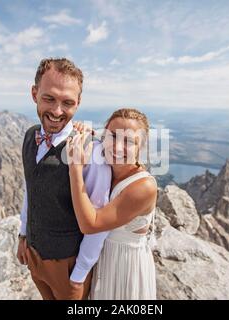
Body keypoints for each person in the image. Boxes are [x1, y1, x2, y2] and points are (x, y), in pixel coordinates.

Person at [16, 57, 111, 300]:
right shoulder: (29, 136)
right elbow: (32, 188)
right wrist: (23, 235)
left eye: (67, 102)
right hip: (35, 256)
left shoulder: (92, 151)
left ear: (77, 104)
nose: (57, 111)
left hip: (67, 266)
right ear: (34, 93)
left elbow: (98, 223)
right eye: (49, 98)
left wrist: (79, 276)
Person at [67, 108, 157, 299]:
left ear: (140, 149)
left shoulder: (143, 187)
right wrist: (80, 130)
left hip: (126, 269)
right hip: (102, 262)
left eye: (129, 141)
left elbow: (90, 225)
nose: (116, 147)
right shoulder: (105, 165)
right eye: (113, 136)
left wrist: (75, 170)